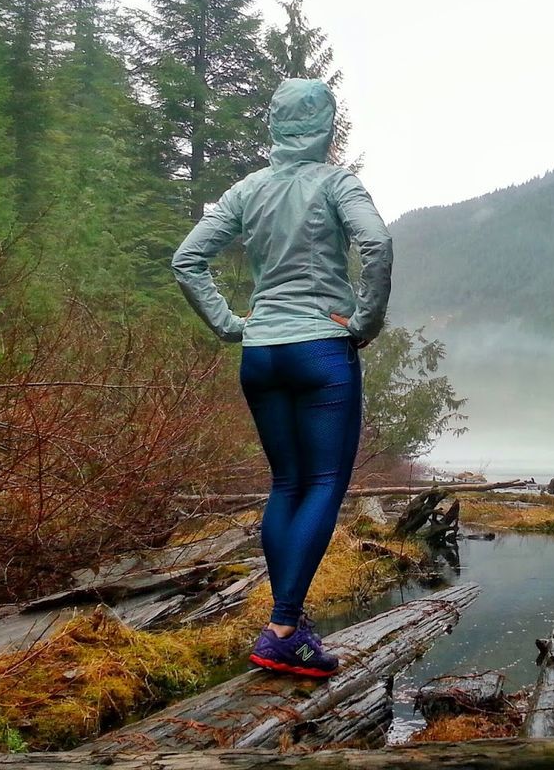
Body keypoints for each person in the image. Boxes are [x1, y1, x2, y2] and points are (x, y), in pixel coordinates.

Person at [171, 77, 393, 677]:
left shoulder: (248, 190)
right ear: (326, 125)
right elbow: (375, 243)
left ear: (275, 124)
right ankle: (285, 627)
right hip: (322, 349)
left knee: (286, 484)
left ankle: (286, 621)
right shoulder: (338, 184)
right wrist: (365, 321)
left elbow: (186, 259)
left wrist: (229, 324)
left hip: (262, 353)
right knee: (323, 483)